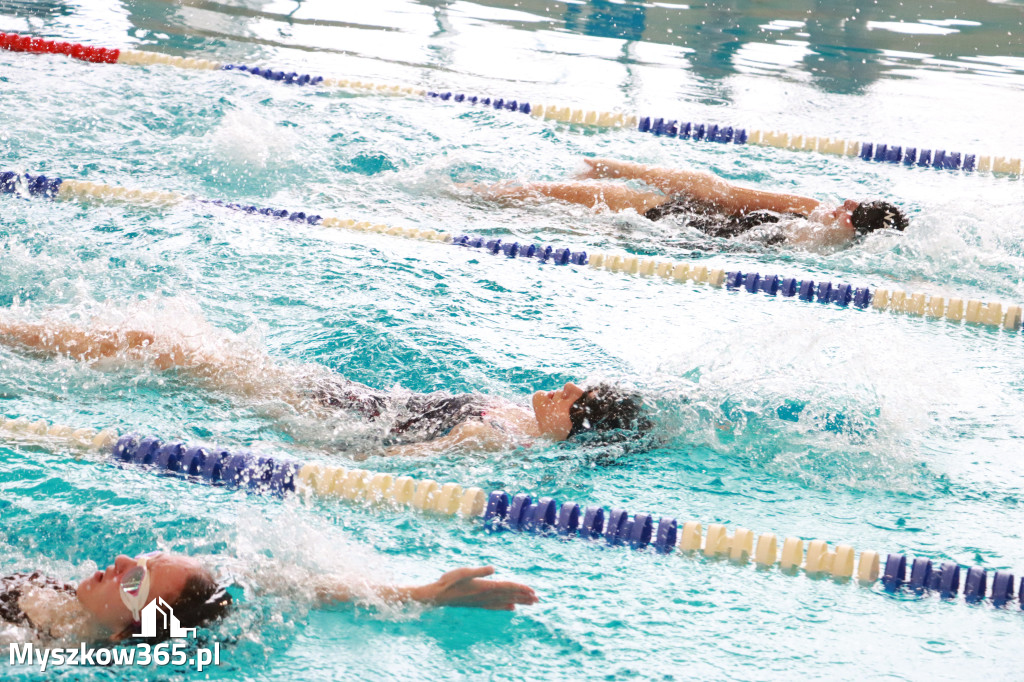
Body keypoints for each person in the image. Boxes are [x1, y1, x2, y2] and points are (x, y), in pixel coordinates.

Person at [0, 310, 649, 456]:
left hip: (328, 414)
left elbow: (398, 463)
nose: (565, 387)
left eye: (577, 399)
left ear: (571, 427)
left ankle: (13, 334)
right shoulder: (517, 420)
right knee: (163, 341)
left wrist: (315, 450)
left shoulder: (498, 436)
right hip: (346, 398)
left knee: (162, 343)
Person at [0, 550, 537, 643]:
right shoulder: (68, 600)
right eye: (139, 560)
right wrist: (418, 592)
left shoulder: (34, 642)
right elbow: (296, 589)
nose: (119, 565)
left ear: (123, 635)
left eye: (134, 580)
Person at [468, 157, 909, 250]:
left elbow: (713, 189)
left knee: (522, 204)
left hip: (656, 225)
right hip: (661, 226)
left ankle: (463, 197)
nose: (844, 201)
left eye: (854, 206)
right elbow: (714, 191)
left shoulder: (812, 223)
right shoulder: (814, 228)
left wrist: (610, 167)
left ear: (852, 224)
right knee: (529, 206)